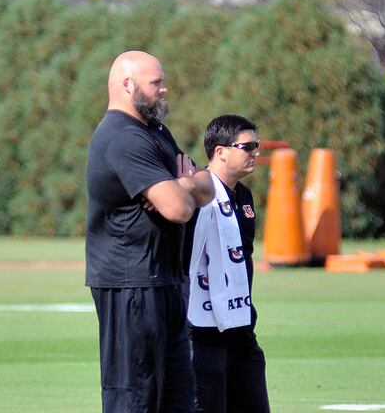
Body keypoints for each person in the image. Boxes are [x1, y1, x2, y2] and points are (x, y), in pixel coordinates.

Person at [85, 50, 215, 413]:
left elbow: (206, 186)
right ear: (128, 85)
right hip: (132, 286)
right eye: (156, 82)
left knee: (177, 400)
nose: (164, 89)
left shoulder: (155, 132)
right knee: (135, 399)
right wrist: (182, 189)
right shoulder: (123, 137)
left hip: (165, 283)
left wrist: (183, 185)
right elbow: (177, 210)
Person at [184, 114, 270, 413]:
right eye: (247, 146)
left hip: (241, 326)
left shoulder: (244, 195)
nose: (255, 152)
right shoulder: (197, 193)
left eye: (256, 145)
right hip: (202, 331)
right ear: (220, 152)